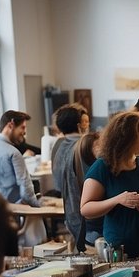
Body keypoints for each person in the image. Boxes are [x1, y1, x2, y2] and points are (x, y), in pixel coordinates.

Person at [80, 112, 139, 258]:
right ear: (127, 139)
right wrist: (117, 200)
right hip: (119, 248)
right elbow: (86, 209)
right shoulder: (102, 167)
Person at [0, 110, 48, 246]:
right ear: (10, 125)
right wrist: (38, 207)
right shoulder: (13, 152)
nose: (24, 132)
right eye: (22, 127)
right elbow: (26, 186)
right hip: (18, 215)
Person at [50, 104, 92, 251]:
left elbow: (56, 180)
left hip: (69, 206)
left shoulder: (58, 145)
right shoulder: (85, 144)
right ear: (78, 124)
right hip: (87, 208)